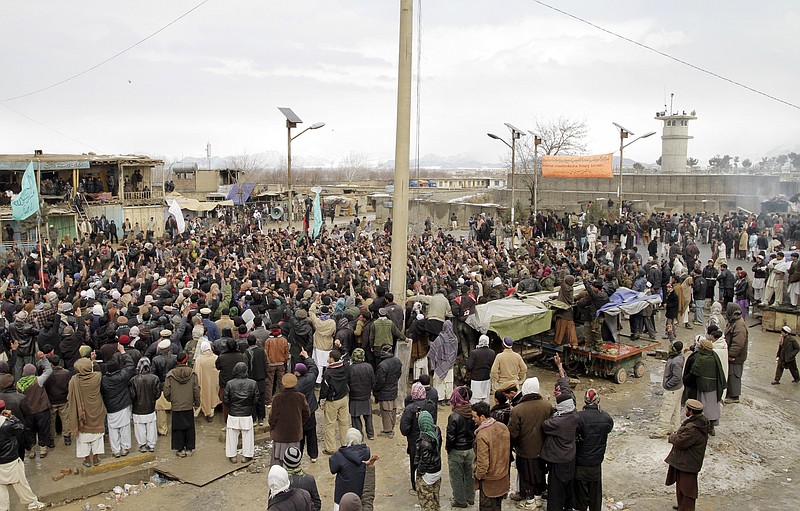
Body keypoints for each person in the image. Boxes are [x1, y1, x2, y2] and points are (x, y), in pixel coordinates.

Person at [508, 376, 552, 508]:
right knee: (539, 473)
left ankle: (530, 501)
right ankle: (538, 498)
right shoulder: (547, 406)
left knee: (526, 475)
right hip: (542, 448)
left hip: (525, 449)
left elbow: (513, 432)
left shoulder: (517, 410)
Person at [664, 399, 711, 511]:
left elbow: (681, 441)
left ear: (691, 411)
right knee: (681, 486)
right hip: (686, 460)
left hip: (688, 462)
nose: (685, 410)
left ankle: (687, 508)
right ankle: (682, 506)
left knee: (687, 489)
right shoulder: (699, 422)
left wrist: (672, 436)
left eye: (686, 408)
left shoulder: (693, 429)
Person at [0, 400, 46, 511]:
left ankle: (3, 508)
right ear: (3, 409)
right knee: (20, 482)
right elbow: (20, 427)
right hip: (10, 459)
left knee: (1, 488)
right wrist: (12, 417)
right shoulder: (7, 424)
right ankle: (32, 502)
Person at [574, 389, 614, 511]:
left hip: (580, 462)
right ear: (597, 400)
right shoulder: (606, 418)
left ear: (585, 400)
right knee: (595, 496)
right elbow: (608, 429)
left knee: (581, 496)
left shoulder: (579, 417)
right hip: (596, 463)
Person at [540, 392, 579, 511]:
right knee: (568, 484)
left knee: (556, 488)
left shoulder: (557, 422)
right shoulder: (574, 415)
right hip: (570, 456)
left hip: (558, 458)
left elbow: (545, 425)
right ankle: (568, 505)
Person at [67, 356, 106, 467]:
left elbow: (70, 397)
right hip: (96, 410)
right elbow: (98, 370)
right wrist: (93, 360)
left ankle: (87, 460)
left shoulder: (74, 381)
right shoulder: (97, 377)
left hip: (82, 413)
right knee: (97, 436)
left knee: (83, 438)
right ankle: (96, 458)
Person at [471, 401, 511, 511]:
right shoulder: (502, 427)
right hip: (502, 477)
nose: (473, 419)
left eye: (474, 416)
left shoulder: (482, 435)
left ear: (482, 417)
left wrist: (478, 475)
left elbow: (483, 464)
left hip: (489, 482)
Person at [400, 382, 438, 494]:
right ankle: (428, 483)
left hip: (414, 441)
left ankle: (415, 484)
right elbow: (434, 422)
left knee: (414, 462)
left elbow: (404, 429)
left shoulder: (409, 409)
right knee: (429, 459)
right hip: (429, 438)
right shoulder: (431, 405)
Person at [268, 373, 310, 467]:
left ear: (283, 384)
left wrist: (273, 427)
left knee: (278, 461)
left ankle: (277, 479)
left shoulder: (277, 398)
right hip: (294, 434)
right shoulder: (301, 397)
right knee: (293, 459)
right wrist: (299, 423)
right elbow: (306, 414)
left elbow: (272, 418)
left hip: (280, 435)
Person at [163, 352, 200, 457]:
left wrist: (172, 400)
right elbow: (196, 390)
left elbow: (166, 391)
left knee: (177, 428)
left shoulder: (170, 374)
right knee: (189, 428)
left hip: (176, 406)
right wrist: (197, 403)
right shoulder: (192, 373)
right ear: (186, 360)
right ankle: (189, 448)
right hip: (188, 405)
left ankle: (180, 449)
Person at [100, 346, 135, 458]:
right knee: (125, 427)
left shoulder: (104, 380)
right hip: (123, 404)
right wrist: (123, 352)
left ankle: (116, 450)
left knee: (113, 429)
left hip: (111, 407)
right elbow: (130, 365)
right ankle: (125, 448)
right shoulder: (122, 376)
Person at [16, 356, 53, 459]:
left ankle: (31, 450)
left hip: (27, 412)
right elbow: (49, 370)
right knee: (43, 429)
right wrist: (44, 359)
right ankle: (42, 449)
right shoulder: (38, 380)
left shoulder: (19, 385)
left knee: (29, 431)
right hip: (41, 410)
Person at [446, 386, 476, 509]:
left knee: (456, 477)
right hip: (470, 449)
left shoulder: (454, 415)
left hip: (457, 451)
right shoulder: (473, 412)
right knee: (469, 475)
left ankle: (460, 500)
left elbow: (451, 437)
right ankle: (470, 498)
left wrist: (448, 449)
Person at [688, 338, 726, 436]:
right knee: (713, 407)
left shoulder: (701, 358)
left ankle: (704, 427)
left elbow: (694, 371)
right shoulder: (714, 355)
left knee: (705, 408)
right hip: (714, 387)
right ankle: (711, 427)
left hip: (704, 387)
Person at [223, 361, 258, 463]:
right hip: (247, 413)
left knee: (231, 436)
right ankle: (247, 455)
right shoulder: (253, 383)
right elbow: (256, 399)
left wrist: (231, 406)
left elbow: (225, 399)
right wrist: (249, 406)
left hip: (233, 413)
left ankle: (232, 455)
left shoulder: (230, 383)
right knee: (248, 436)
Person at [329, 428, 371, 511]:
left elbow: (333, 469)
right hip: (360, 493)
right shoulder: (366, 452)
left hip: (342, 495)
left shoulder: (339, 455)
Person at [650, 341, 685, 439]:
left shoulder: (676, 361)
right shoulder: (679, 355)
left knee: (667, 410)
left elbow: (677, 377)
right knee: (675, 410)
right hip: (678, 388)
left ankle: (662, 431)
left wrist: (667, 384)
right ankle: (676, 428)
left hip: (673, 390)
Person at [320, 349, 350, 454]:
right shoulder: (345, 366)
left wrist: (321, 401)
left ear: (332, 359)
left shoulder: (328, 372)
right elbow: (347, 356)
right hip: (343, 398)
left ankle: (331, 448)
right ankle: (345, 444)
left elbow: (324, 389)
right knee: (344, 422)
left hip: (332, 401)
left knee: (330, 424)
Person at [294, 350, 320, 462]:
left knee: (299, 436)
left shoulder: (294, 384)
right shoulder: (310, 379)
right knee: (312, 434)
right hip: (310, 409)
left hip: (298, 412)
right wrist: (307, 357)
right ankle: (313, 455)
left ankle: (297, 457)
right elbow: (314, 368)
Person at [129, 357, 160, 452]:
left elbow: (132, 395)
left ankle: (142, 445)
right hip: (150, 406)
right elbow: (157, 393)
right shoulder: (155, 378)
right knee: (151, 427)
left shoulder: (133, 380)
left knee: (139, 427)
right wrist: (152, 400)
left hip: (137, 408)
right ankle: (151, 445)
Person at [414, 410, 442, 511]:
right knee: (435, 498)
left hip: (427, 475)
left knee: (426, 503)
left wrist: (419, 473)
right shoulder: (437, 431)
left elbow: (425, 461)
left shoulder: (424, 441)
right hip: (437, 470)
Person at [373, 344, 402, 437]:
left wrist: (375, 390)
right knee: (393, 409)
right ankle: (391, 427)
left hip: (385, 391)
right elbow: (399, 374)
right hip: (393, 388)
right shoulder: (397, 361)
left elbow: (380, 381)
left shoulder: (383, 365)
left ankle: (387, 430)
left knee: (385, 411)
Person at [283, 446, 322, 511]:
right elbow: (317, 503)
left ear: (284, 461)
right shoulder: (309, 479)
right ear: (299, 462)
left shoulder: (280, 480)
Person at [347, 348, 375, 440]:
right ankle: (370, 434)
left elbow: (347, 382)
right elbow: (373, 381)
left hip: (354, 396)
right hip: (366, 395)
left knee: (355, 418)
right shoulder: (369, 367)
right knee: (368, 416)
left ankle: (359, 436)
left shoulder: (350, 368)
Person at [723, 303, 748, 404]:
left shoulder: (739, 326)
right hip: (732, 355)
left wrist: (730, 355)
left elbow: (738, 344)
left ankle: (734, 396)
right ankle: (730, 393)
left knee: (734, 375)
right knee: (730, 374)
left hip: (736, 357)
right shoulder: (733, 322)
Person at [243, 334, 268, 425]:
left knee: (252, 399)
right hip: (261, 377)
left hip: (251, 379)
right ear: (256, 341)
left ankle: (253, 419)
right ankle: (261, 418)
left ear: (247, 342)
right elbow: (267, 362)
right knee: (261, 398)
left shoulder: (246, 353)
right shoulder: (262, 351)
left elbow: (245, 367)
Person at [194, 340, 221, 422]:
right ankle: (212, 411)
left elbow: (196, 372)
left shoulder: (199, 359)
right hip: (214, 382)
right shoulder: (216, 357)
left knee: (205, 397)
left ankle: (208, 412)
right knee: (213, 396)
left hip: (204, 382)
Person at [265, 327, 289, 408]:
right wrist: (284, 360)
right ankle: (283, 400)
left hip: (271, 364)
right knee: (281, 382)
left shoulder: (268, 341)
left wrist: (268, 362)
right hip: (281, 363)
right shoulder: (284, 340)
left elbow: (266, 354)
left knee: (269, 383)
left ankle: (268, 401)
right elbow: (287, 353)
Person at [467, 335, 495, 404]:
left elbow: (469, 366)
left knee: (475, 399)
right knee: (486, 398)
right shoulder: (492, 352)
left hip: (476, 379)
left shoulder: (474, 353)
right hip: (486, 378)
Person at [553, 274, 578, 346]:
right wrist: (554, 297)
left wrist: (562, 270)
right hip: (569, 310)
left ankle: (558, 341)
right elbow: (563, 295)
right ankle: (574, 343)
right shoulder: (570, 288)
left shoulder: (565, 288)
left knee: (560, 327)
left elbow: (561, 281)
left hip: (563, 311)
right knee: (570, 327)